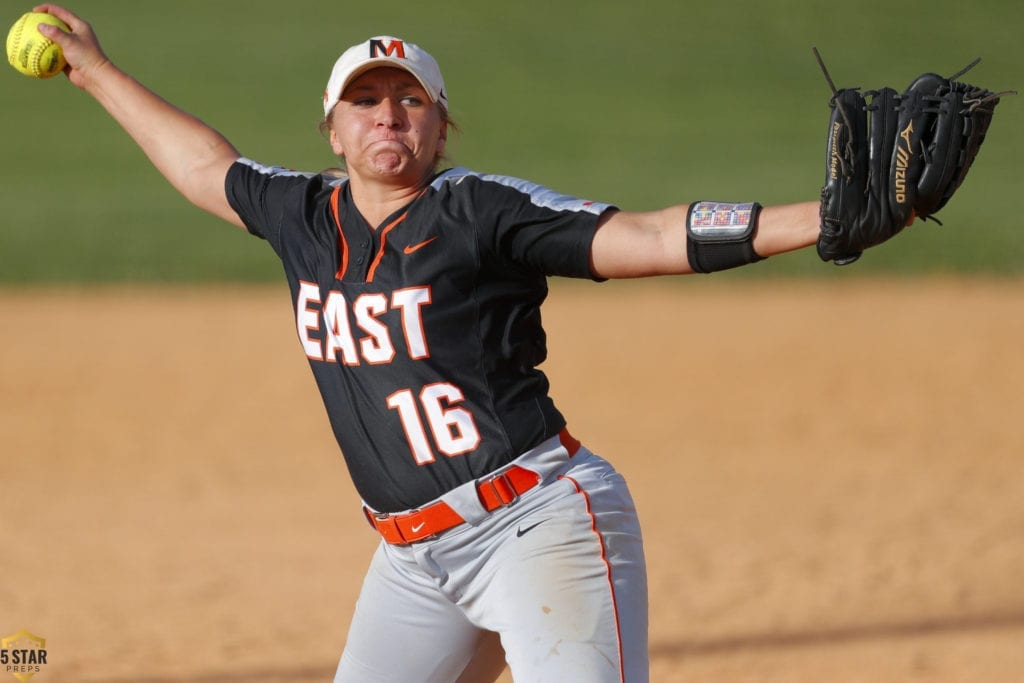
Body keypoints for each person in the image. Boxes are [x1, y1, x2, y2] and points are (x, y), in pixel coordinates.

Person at [36, 5, 823, 681]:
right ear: (334, 129)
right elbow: (206, 165)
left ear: (441, 128)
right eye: (366, 100)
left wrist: (820, 221)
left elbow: (647, 234)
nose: (387, 114)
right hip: (414, 566)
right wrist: (93, 68)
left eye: (410, 100)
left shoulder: (480, 211)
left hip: (537, 527)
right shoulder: (301, 215)